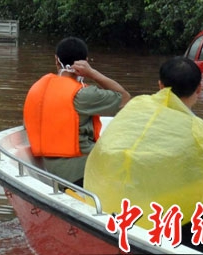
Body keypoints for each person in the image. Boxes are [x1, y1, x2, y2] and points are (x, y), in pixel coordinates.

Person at [84, 57, 203, 255]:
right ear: (199, 89)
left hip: (113, 211)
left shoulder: (135, 107)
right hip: (164, 225)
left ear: (160, 85)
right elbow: (201, 186)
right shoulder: (197, 130)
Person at [22, 36, 129, 185]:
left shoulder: (37, 89)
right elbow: (124, 98)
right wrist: (92, 73)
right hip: (83, 171)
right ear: (86, 61)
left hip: (53, 170)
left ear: (56, 60)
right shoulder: (84, 95)